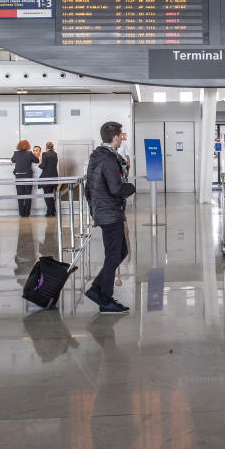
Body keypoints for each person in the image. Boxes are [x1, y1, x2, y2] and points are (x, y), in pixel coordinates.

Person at [84, 122, 136, 314]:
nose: (122, 138)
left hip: (104, 211)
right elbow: (116, 188)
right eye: (121, 135)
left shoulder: (99, 157)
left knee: (121, 252)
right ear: (115, 137)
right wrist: (131, 187)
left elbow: (89, 188)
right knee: (114, 254)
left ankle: (97, 289)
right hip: (110, 213)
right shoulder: (108, 159)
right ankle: (104, 298)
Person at [11, 140, 39, 217]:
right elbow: (37, 160)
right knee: (28, 195)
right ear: (28, 146)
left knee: (20, 196)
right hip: (27, 177)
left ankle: (21, 213)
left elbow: (12, 160)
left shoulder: (16, 153)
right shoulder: (29, 153)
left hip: (18, 177)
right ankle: (27, 213)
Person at [39, 142, 58, 217]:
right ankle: (53, 211)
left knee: (47, 196)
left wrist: (39, 165)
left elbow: (43, 165)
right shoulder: (55, 154)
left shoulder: (45, 154)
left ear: (46, 147)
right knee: (52, 196)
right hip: (54, 176)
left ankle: (49, 212)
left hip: (46, 177)